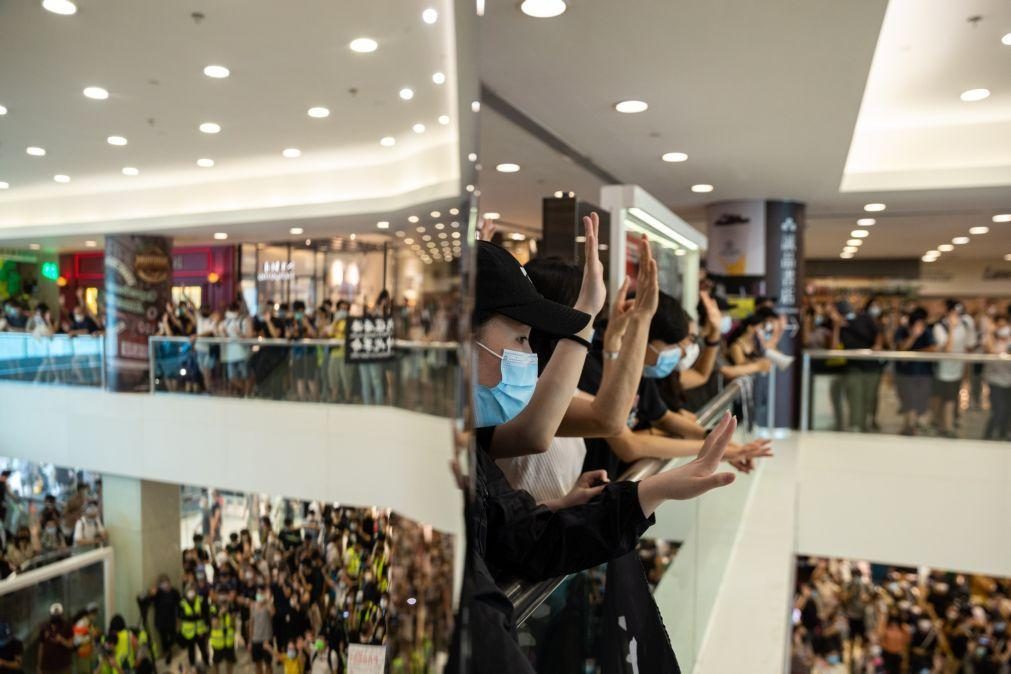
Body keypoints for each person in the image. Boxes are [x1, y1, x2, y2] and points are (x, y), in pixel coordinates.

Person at [448, 218, 740, 673]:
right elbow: (606, 420)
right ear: (458, 343)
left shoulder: (465, 448)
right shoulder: (423, 467)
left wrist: (653, 490)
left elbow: (523, 535)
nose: (528, 354)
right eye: (521, 338)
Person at [932, 299, 976, 437]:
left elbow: (970, 344)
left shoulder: (965, 325)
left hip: (958, 368)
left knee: (951, 398)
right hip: (942, 369)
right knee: (942, 398)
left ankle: (948, 425)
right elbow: (948, 348)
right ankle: (943, 425)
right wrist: (951, 328)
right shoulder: (940, 327)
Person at [893, 307, 936, 436]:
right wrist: (913, 336)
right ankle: (908, 426)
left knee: (920, 401)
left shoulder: (927, 332)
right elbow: (902, 349)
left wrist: (916, 352)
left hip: (923, 373)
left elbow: (932, 348)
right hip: (905, 373)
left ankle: (912, 425)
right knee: (908, 400)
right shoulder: (901, 331)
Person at [982, 310, 1011, 441]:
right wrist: (989, 332)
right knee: (999, 410)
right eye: (999, 326)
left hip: (1009, 380)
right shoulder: (990, 338)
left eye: (1004, 326)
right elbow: (990, 350)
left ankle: (1003, 433)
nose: (1002, 329)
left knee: (1008, 411)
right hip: (994, 381)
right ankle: (988, 435)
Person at [219, 302, 253, 398]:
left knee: (245, 375)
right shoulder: (226, 322)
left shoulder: (245, 320)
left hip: (243, 353)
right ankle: (245, 391)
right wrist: (223, 333)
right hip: (230, 354)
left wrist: (240, 334)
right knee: (232, 377)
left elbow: (250, 336)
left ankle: (247, 394)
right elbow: (223, 337)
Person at [287, 301, 318, 402]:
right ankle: (302, 399)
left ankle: (314, 400)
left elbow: (314, 334)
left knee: (311, 378)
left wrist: (307, 324)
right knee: (299, 378)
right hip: (297, 353)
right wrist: (293, 331)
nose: (299, 313)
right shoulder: (291, 321)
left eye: (301, 311)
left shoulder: (310, 320)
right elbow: (288, 336)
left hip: (310, 353)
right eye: (296, 311)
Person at [325, 301, 354, 403]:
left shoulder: (350, 321)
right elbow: (329, 333)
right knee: (333, 376)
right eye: (341, 308)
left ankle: (347, 398)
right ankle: (334, 398)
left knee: (346, 378)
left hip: (345, 354)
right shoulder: (334, 321)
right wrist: (336, 321)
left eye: (345, 309)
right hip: (334, 353)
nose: (343, 311)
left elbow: (346, 333)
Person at [39, 603, 75, 674]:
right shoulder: (44, 627)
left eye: (57, 614)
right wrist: (39, 665)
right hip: (47, 667)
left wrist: (61, 640)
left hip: (63, 666)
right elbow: (41, 647)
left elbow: (71, 645)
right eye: (54, 614)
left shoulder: (67, 626)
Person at [179, 585, 209, 667]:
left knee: (203, 649)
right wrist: (196, 616)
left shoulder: (200, 600)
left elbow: (205, 614)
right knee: (191, 651)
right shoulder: (182, 602)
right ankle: (192, 666)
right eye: (189, 590)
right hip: (189, 633)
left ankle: (207, 663)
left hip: (200, 631)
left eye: (192, 590)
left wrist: (192, 617)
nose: (191, 592)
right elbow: (182, 616)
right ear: (186, 592)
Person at [194, 304, 220, 394]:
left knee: (206, 370)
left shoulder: (213, 320)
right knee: (203, 371)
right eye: (202, 309)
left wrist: (197, 336)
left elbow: (210, 331)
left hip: (210, 350)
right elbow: (194, 307)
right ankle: (208, 389)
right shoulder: (200, 319)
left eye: (206, 309)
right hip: (200, 349)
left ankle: (209, 390)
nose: (204, 311)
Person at [249, 587, 275, 674]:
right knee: (257, 664)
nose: (259, 595)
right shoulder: (252, 606)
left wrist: (267, 600)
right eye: (258, 593)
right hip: (256, 639)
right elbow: (251, 624)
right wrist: (250, 641)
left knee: (268, 664)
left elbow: (273, 613)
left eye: (261, 593)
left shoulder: (268, 605)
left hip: (266, 639)